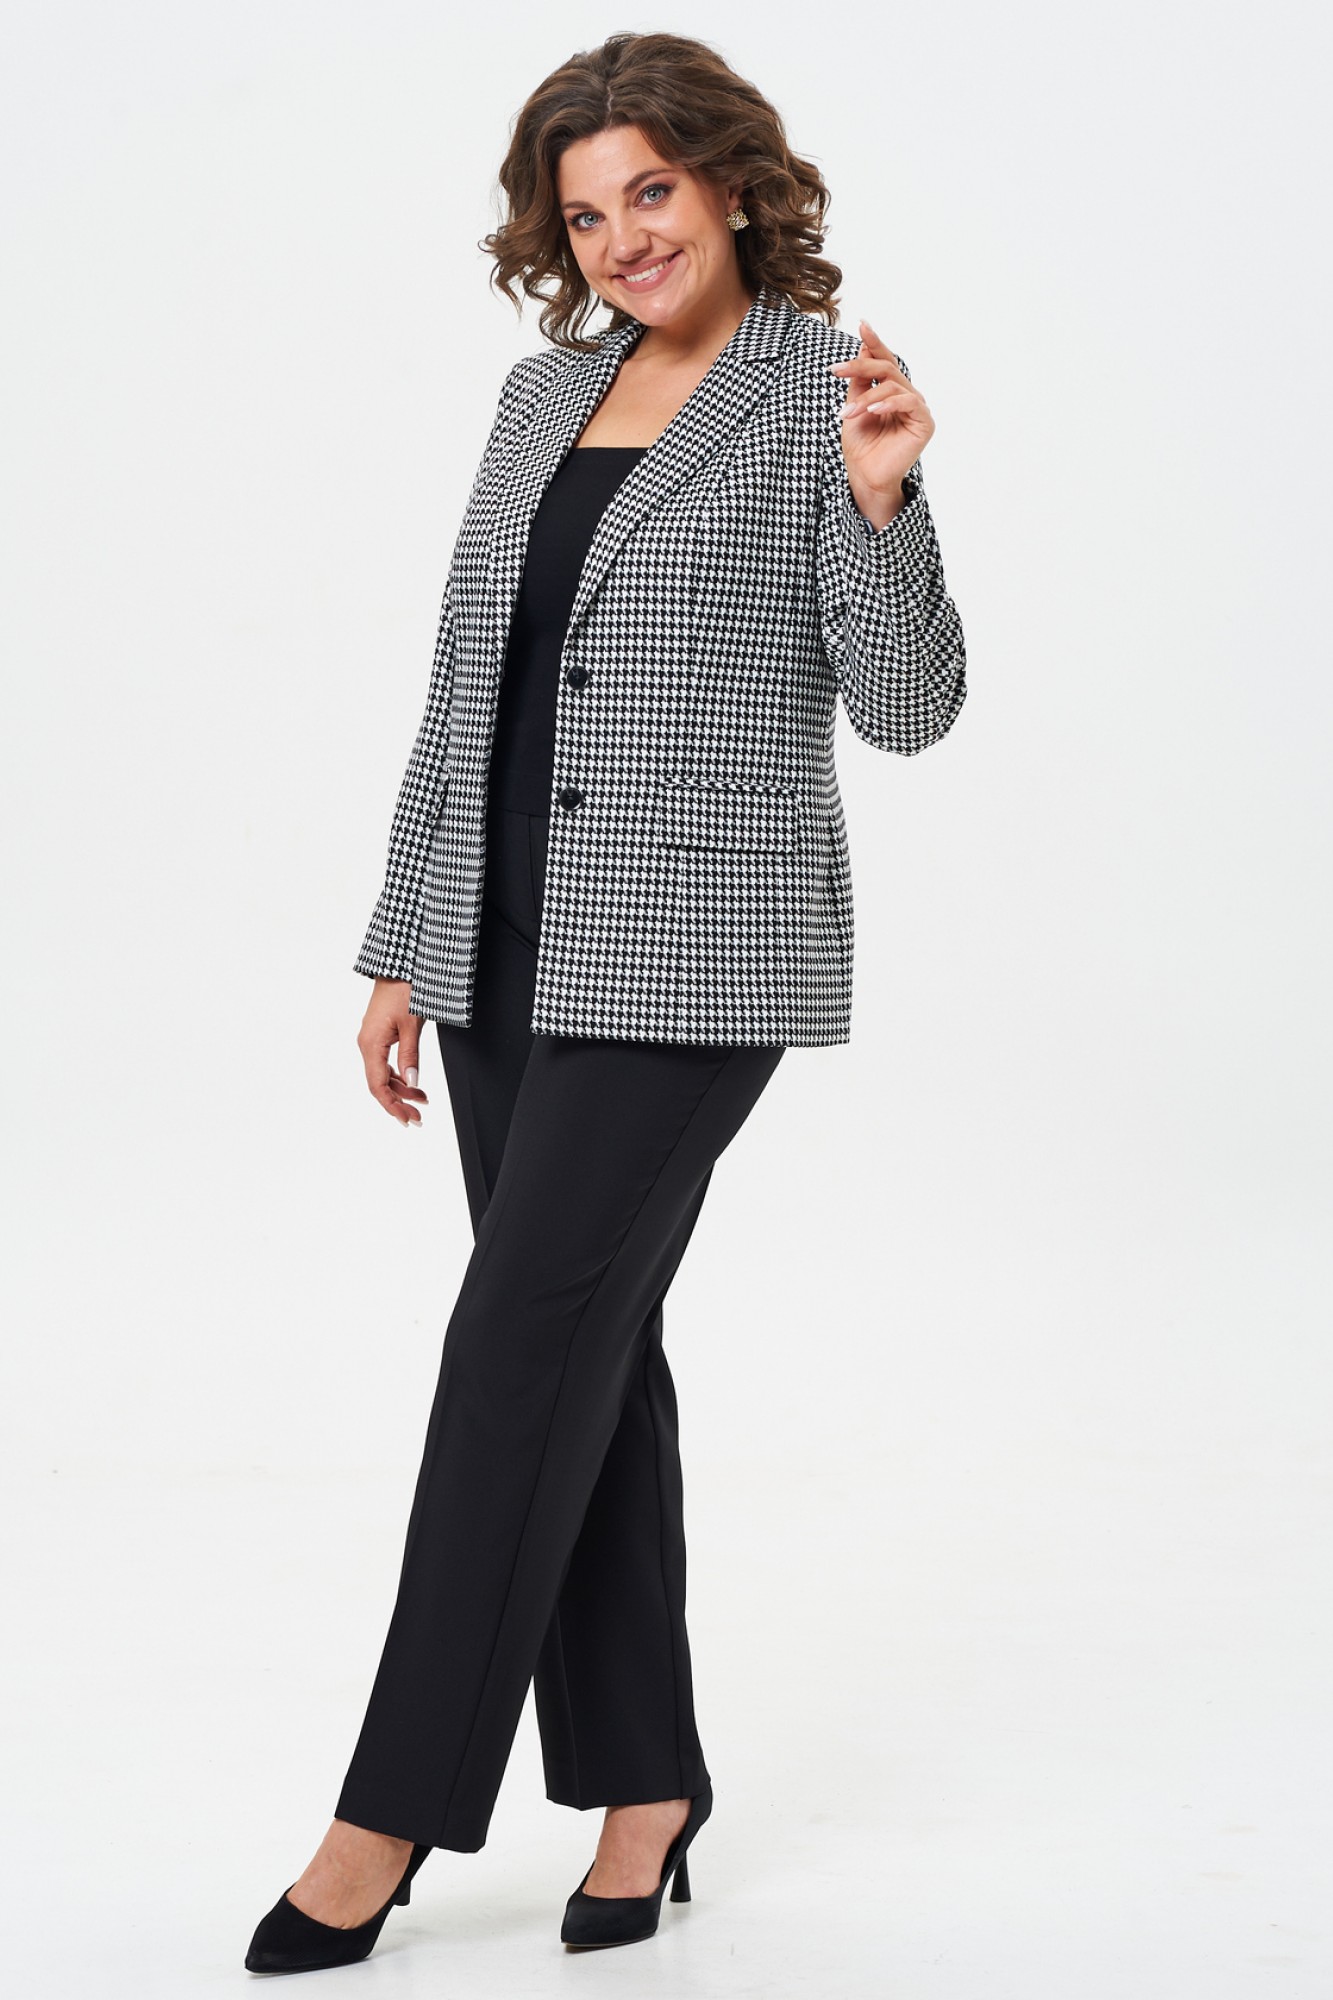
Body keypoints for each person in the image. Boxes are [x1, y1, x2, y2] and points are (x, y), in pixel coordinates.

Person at [245, 28, 966, 1975]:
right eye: (584, 213)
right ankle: (646, 1783)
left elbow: (908, 709)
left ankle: (386, 1813)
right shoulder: (537, 394)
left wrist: (884, 501)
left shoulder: (819, 389)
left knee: (512, 1349)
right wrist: (405, 938)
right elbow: (464, 682)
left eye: (651, 189)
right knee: (586, 1352)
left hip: (692, 959)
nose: (624, 236)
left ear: (729, 181)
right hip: (500, 948)